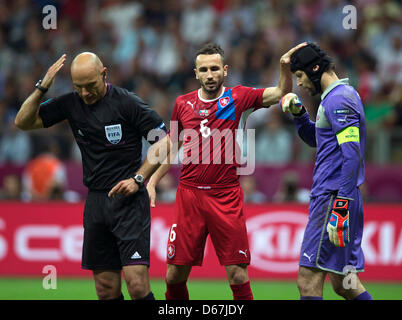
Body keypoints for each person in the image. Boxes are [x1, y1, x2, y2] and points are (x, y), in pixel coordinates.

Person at [143, 42, 307, 300]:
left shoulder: (239, 97)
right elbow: (172, 146)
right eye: (204, 69)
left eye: (215, 68)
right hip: (189, 196)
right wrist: (153, 180)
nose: (210, 74)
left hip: (226, 196)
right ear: (196, 73)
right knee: (174, 275)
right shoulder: (182, 103)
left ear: (225, 70)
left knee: (238, 275)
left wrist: (284, 68)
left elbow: (280, 93)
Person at [14, 52, 167, 300]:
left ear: (104, 74)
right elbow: (23, 122)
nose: (85, 93)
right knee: (105, 289)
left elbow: (164, 142)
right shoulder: (71, 103)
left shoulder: (126, 102)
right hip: (96, 203)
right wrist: (42, 88)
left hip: (129, 202)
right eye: (79, 87)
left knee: (137, 285)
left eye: (90, 86)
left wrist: (138, 179)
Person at [279, 43, 372, 300]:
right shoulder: (333, 98)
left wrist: (340, 205)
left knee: (307, 281)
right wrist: (299, 115)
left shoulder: (339, 99)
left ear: (315, 69)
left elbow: (351, 155)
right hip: (338, 197)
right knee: (345, 283)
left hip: (333, 199)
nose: (299, 83)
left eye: (299, 76)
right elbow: (319, 140)